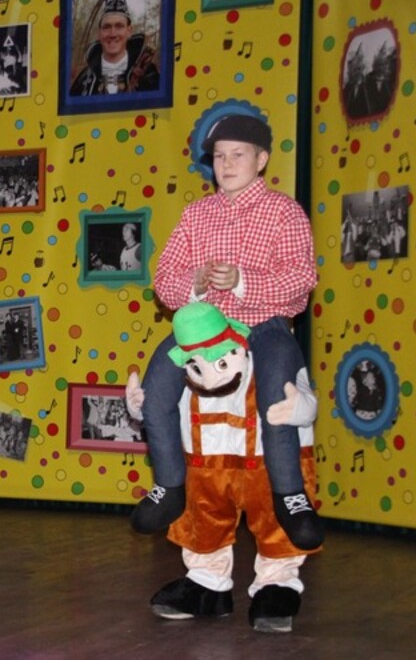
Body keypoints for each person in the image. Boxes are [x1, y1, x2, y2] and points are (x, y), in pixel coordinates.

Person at [132, 114, 323, 552]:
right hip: (206, 327)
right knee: (156, 388)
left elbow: (301, 279)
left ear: (262, 160)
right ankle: (169, 484)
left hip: (264, 323)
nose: (227, 163)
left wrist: (242, 281)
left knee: (278, 392)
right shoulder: (196, 214)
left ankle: (290, 494)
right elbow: (164, 282)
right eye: (220, 156)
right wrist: (195, 283)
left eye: (238, 154)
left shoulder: (284, 212)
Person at [126, 303, 321, 633]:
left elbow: (303, 397)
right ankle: (207, 582)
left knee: (274, 522)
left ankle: (276, 585)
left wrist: (299, 408)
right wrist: (139, 406)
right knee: (203, 520)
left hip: (265, 463)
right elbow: (165, 405)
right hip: (206, 459)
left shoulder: (271, 353)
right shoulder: (191, 349)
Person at [68, 0, 160, 96]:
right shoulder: (84, 80)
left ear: (129, 31)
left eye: (119, 26)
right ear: (99, 33)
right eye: (107, 27)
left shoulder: (149, 75)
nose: (113, 34)